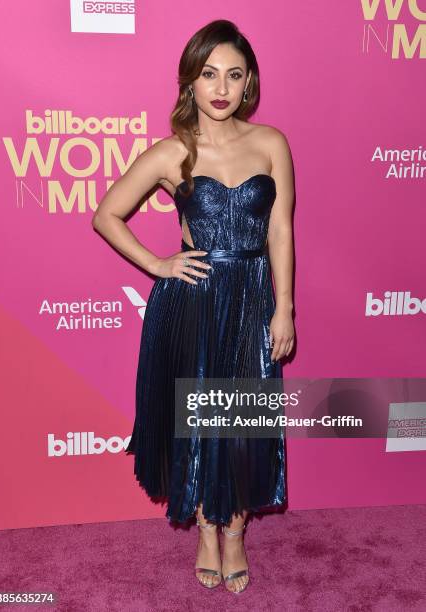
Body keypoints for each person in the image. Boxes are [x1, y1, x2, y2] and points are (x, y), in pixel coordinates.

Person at [92, 19, 295, 594]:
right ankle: (208, 530)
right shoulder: (171, 152)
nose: (221, 87)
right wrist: (159, 264)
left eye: (233, 74)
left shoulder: (271, 143)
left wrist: (285, 307)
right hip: (195, 300)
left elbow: (280, 231)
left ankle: (236, 531)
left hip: (255, 296)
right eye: (209, 74)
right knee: (203, 421)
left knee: (243, 423)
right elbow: (106, 214)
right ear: (190, 82)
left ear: (249, 81)